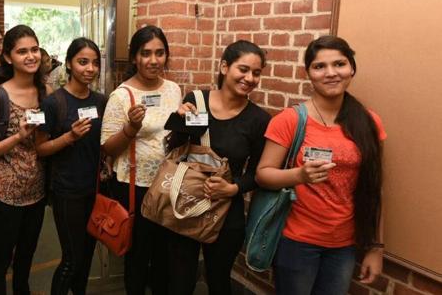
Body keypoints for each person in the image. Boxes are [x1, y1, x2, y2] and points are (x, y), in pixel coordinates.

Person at [256, 36, 386, 295]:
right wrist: (299, 175)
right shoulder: (290, 120)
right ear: (309, 74)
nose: (331, 73)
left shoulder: (369, 122)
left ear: (352, 69)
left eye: (339, 64)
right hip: (296, 241)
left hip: (345, 244)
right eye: (319, 66)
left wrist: (375, 247)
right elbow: (262, 175)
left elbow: (375, 189)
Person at [163, 40, 271, 295]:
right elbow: (174, 150)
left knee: (219, 280)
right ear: (224, 67)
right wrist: (179, 120)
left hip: (226, 211)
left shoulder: (259, 119)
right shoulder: (196, 101)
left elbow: (257, 172)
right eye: (243, 69)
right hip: (186, 201)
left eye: (256, 73)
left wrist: (233, 189)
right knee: (180, 281)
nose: (250, 78)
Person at [101, 25, 181, 295]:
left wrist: (186, 117)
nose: (153, 60)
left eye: (160, 53)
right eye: (146, 53)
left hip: (168, 185)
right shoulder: (122, 96)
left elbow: (173, 133)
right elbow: (107, 148)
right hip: (135, 187)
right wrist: (131, 129)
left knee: (163, 256)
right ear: (134, 57)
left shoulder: (173, 89)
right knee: (137, 257)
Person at [0, 25, 50, 295]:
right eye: (22, 51)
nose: (31, 56)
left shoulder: (45, 92)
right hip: (3, 195)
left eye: (34, 49)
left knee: (27, 257)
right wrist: (17, 137)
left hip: (36, 192)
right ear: (8, 57)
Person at [35, 38, 105, 295]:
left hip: (94, 189)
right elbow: (40, 148)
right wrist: (69, 137)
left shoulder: (101, 101)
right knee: (71, 259)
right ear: (68, 64)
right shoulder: (54, 103)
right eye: (82, 62)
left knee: (86, 258)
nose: (90, 68)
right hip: (66, 191)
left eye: (95, 63)